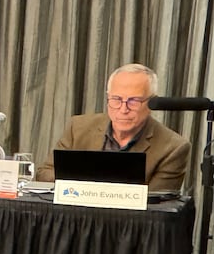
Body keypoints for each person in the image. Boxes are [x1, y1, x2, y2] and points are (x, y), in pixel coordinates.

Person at [35, 63, 190, 191]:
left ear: (152, 103)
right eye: (116, 99)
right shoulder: (78, 128)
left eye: (133, 101)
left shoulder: (173, 148)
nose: (123, 109)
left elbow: (155, 206)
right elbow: (44, 175)